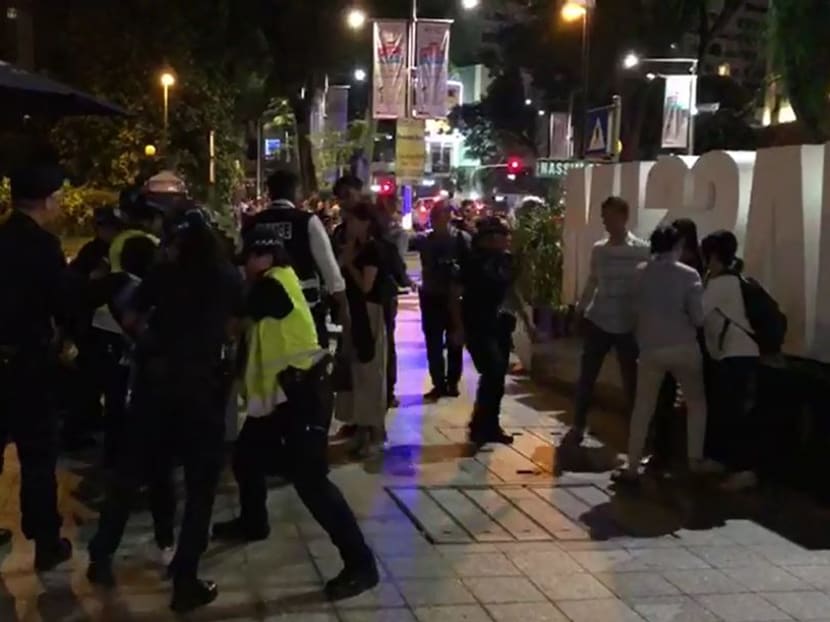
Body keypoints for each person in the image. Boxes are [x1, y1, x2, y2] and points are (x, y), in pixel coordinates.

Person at [87, 209, 244, 613]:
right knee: (200, 487)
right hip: (201, 389)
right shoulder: (227, 277)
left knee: (130, 472)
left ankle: (101, 554)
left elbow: (133, 317)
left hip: (155, 386)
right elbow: (234, 328)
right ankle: (185, 578)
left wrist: (151, 342)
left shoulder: (163, 275)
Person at [212, 229, 378, 600]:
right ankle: (254, 523)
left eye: (249, 260)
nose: (246, 269)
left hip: (302, 395)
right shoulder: (280, 280)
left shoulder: (271, 286)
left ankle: (361, 565)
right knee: (246, 459)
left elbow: (232, 322)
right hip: (282, 395)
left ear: (265, 257)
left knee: (312, 482)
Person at [0, 162, 74, 570]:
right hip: (29, 362)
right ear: (46, 200)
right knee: (38, 455)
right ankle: (45, 541)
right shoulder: (43, 247)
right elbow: (62, 303)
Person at [613, 225, 713, 483]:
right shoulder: (689, 275)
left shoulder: (639, 274)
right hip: (684, 347)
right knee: (696, 403)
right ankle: (694, 460)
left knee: (643, 407)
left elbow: (632, 310)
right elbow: (699, 318)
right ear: (677, 246)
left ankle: (632, 465)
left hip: (650, 350)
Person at [568, 196, 650, 445]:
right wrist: (580, 310)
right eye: (604, 217)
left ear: (624, 217)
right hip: (600, 318)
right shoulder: (599, 249)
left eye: (610, 216)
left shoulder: (641, 250)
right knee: (587, 376)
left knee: (631, 380)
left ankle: (635, 431)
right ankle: (578, 423)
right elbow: (593, 281)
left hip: (627, 322)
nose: (606, 222)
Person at [453, 217, 533, 448]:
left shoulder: (507, 261)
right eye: (500, 236)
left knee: (497, 376)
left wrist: (528, 323)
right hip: (476, 323)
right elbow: (455, 294)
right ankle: (480, 424)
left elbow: (513, 293)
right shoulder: (472, 262)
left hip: (499, 324)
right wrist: (458, 327)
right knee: (493, 369)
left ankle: (489, 424)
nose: (505, 240)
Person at [244, 170, 346, 347]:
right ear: (295, 192)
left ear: (270, 192)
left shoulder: (253, 223)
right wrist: (343, 306)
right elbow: (329, 268)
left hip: (261, 314)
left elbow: (242, 266)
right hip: (304, 311)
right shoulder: (307, 221)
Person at [701, 230, 760, 492]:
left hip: (737, 355)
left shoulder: (720, 284)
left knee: (734, 414)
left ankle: (743, 470)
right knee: (727, 410)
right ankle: (722, 461)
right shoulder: (731, 279)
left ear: (713, 256)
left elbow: (697, 314)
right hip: (737, 355)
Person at [648, 217, 705, 470]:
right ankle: (691, 456)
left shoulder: (668, 268)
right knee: (693, 401)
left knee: (662, 397)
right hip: (688, 342)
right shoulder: (698, 269)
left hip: (661, 341)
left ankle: (661, 453)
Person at [334, 202, 389, 458]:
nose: (350, 226)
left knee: (370, 371)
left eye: (354, 221)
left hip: (370, 313)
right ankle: (361, 428)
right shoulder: (357, 249)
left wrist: (349, 264)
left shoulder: (373, 250)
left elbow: (367, 286)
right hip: (356, 313)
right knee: (357, 373)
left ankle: (375, 430)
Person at [414, 203, 470, 401]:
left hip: (453, 295)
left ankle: (452, 382)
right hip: (431, 294)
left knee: (455, 340)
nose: (439, 219)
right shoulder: (425, 240)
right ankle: (439, 382)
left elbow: (469, 267)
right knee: (433, 342)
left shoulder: (461, 239)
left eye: (443, 214)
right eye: (436, 215)